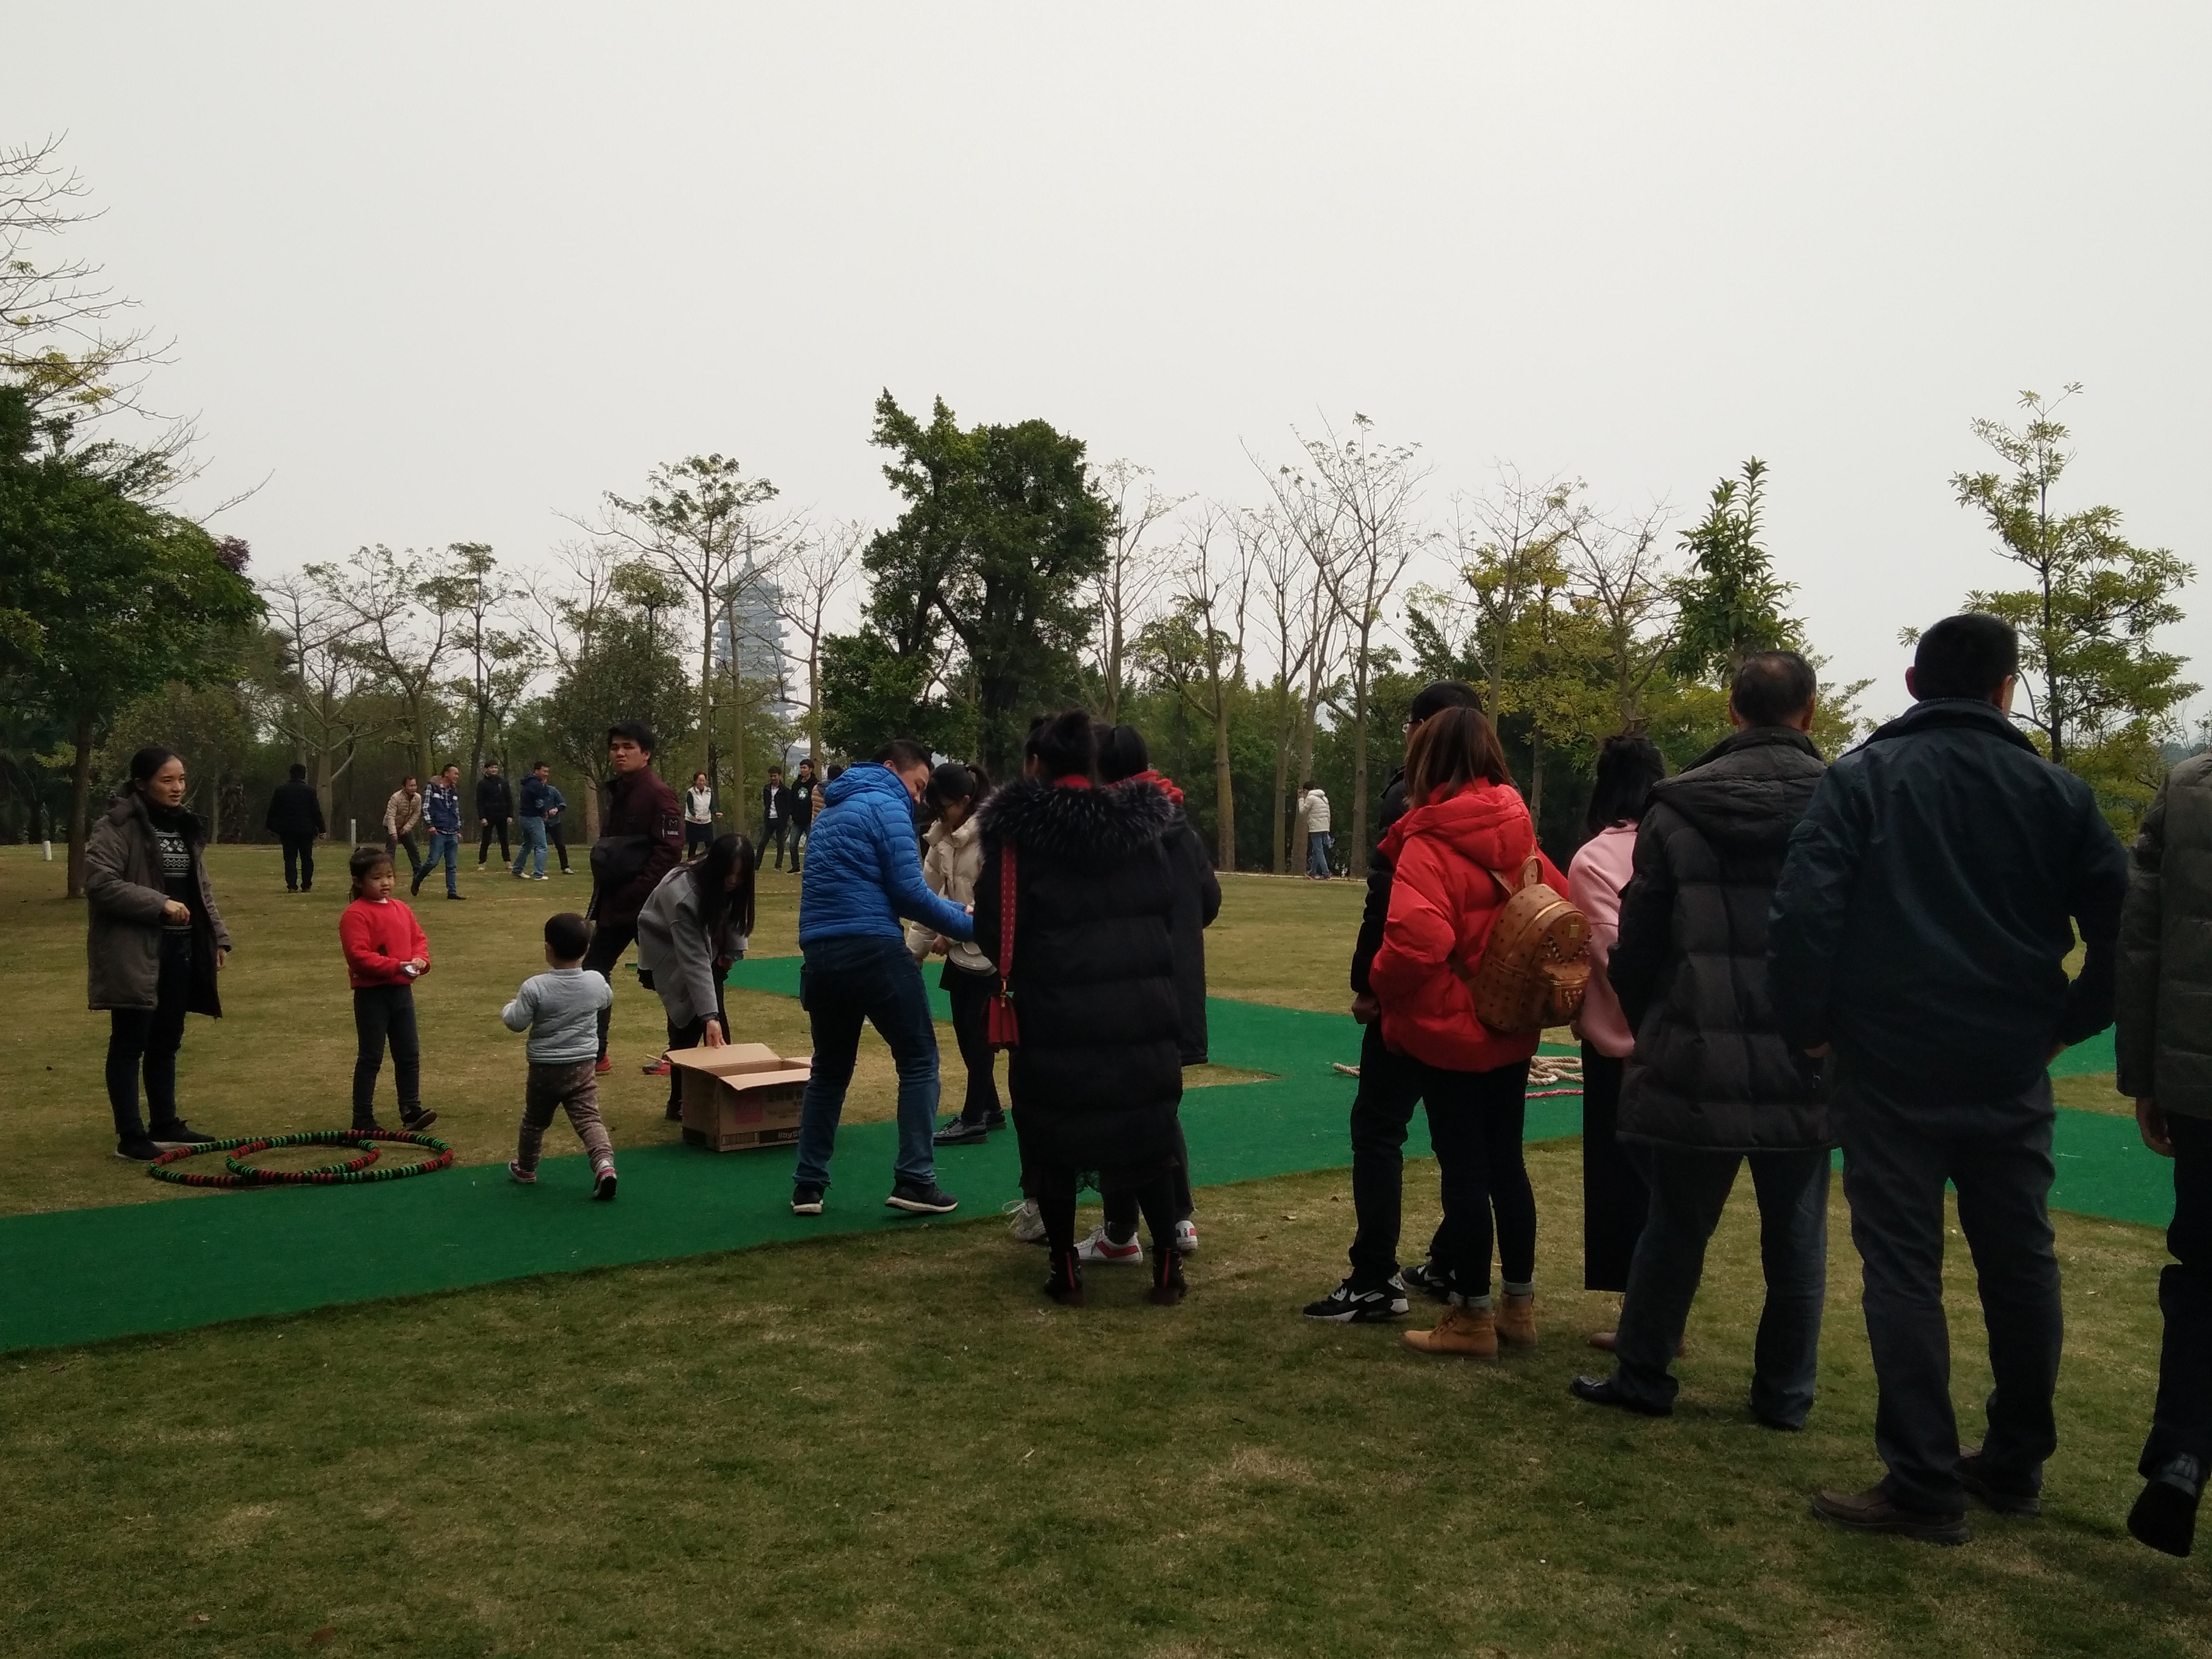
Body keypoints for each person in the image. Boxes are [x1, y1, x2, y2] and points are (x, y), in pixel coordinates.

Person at [1771, 613, 2129, 1544]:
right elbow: (2126, 930)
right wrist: (2066, 1024)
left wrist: (1810, 1028)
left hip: (1888, 1059)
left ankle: (1925, 1479)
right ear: (2007, 690)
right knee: (2020, 1260)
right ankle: (2014, 1460)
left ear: (1912, 682)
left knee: (1902, 1265)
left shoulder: (1864, 780)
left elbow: (1805, 913)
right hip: (2009, 1057)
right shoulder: (2058, 793)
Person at [1570, 654, 1831, 1427]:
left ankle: (1644, 1372)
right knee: (1796, 1237)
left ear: (1732, 710)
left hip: (1695, 1048)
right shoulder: (1847, 802)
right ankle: (1784, 1394)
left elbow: (1639, 941)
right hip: (1807, 1053)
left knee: (1675, 1225)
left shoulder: (1677, 804)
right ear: (1809, 712)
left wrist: (1662, 1019)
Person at [1365, 707, 1564, 1359]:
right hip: (1511, 1020)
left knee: (1464, 1171)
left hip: (1449, 1028)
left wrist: (1379, 988)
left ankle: (1471, 1315)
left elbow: (1415, 941)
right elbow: (1559, 904)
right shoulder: (1519, 830)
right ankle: (1518, 1306)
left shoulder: (1427, 839)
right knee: (1507, 1163)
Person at [973, 711, 1188, 1306]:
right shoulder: (1142, 829)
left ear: (1036, 764)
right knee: (1147, 1139)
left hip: (1055, 1013)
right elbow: (1169, 909)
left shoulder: (1018, 838)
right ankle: (1167, 1265)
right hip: (1141, 1011)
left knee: (1054, 1142)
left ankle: (1064, 1269)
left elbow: (993, 928)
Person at [1304, 680, 1483, 1323]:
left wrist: (1369, 985)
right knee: (1466, 1142)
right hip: (1476, 999)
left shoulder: (1412, 798)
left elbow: (1388, 906)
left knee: (1379, 1129)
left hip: (1413, 996)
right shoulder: (1504, 802)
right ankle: (1460, 1266)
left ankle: (1374, 1275)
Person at [790, 738, 977, 1217]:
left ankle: (808, 1186)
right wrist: (970, 924)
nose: (918, 797)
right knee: (919, 1059)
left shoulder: (830, 812)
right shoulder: (887, 805)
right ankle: (915, 1179)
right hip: (872, 947)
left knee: (829, 1070)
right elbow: (910, 894)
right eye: (917, 785)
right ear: (892, 768)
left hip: (820, 953)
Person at [2114, 751, 2212, 1556]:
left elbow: (2140, 941)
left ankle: (2182, 1454)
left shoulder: (2187, 790)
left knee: (2203, 1275)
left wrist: (2145, 1076)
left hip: (2201, 1085)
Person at [1085, 724, 1219, 1261]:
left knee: (1116, 1108)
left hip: (1121, 991)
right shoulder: (1179, 825)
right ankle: (1178, 1218)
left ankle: (1121, 1229)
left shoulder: (1103, 828)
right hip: (1175, 988)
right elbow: (1208, 899)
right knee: (1159, 1105)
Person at [86, 746, 230, 1161]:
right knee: (130, 1042)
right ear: (141, 783)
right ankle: (131, 1137)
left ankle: (165, 1123)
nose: (177, 787)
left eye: (181, 779)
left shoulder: (185, 826)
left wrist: (217, 937)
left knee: (167, 1040)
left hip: (180, 949)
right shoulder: (116, 826)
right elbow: (100, 883)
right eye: (167, 780)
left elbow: (200, 888)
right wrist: (158, 903)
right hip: (134, 951)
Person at [1565, 733, 1664, 1333]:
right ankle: (1659, 1316)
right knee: (1665, 1184)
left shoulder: (1594, 859)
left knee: (1626, 1182)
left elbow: (1608, 950)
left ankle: (1646, 1320)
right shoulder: (1678, 842)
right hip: (1680, 1032)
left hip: (1622, 1042)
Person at [582, 722, 684, 1074]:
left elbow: (669, 851)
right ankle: (597, 1054)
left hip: (649, 905)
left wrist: (639, 891)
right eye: (615, 747)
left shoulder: (659, 793)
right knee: (594, 971)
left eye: (628, 747)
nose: (620, 753)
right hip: (616, 903)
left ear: (646, 753)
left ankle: (680, 1055)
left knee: (669, 978)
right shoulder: (621, 790)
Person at [636, 833, 757, 1122]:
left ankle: (721, 1097)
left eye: (740, 876)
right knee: (688, 1023)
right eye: (729, 875)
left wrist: (732, 951)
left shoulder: (730, 883)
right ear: (716, 868)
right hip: (667, 949)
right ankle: (680, 1102)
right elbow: (693, 959)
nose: (733, 881)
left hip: (706, 947)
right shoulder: (680, 893)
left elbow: (735, 911)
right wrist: (709, 1017)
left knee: (716, 1026)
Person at [502, 911, 618, 1201]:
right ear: (587, 949)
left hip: (545, 1068)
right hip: (583, 1066)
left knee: (535, 1121)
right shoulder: (595, 981)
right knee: (589, 1120)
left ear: (548, 949)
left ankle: (526, 1168)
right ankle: (604, 1165)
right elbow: (606, 999)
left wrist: (509, 1007)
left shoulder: (535, 987)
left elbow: (516, 1022)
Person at [916, 761, 1001, 1147]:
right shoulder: (940, 840)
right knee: (967, 1034)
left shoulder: (991, 838)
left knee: (978, 1037)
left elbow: (992, 904)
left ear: (966, 801)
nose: (940, 815)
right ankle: (992, 1108)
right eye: (934, 808)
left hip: (988, 953)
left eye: (945, 807)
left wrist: (948, 935)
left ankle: (973, 1119)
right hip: (961, 951)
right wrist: (914, 952)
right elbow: (924, 898)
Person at [338, 844, 437, 1133]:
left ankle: (411, 1109)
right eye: (377, 878)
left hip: (401, 992)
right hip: (372, 995)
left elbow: (418, 939)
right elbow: (359, 957)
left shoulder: (402, 909)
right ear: (359, 882)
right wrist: (397, 966)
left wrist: (420, 960)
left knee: (409, 1053)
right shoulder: (355, 915)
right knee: (371, 1057)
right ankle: (363, 1117)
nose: (385, 883)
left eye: (390, 876)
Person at [265, 762, 325, 892]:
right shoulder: (310, 791)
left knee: (290, 859)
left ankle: (292, 885)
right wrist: (322, 829)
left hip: (287, 830)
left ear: (291, 774)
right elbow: (316, 811)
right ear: (304, 775)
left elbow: (273, 810)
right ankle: (307, 885)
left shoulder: (281, 790)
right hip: (306, 830)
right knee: (307, 858)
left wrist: (270, 827)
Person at [413, 764, 465, 900]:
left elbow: (456, 811)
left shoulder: (454, 790)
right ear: (446, 774)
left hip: (452, 831)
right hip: (439, 831)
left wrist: (458, 829)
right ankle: (418, 878)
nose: (457, 776)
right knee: (433, 862)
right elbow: (425, 807)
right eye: (455, 773)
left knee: (452, 865)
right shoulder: (432, 787)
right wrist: (430, 825)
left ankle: (452, 892)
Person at [512, 759, 555, 881]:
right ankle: (538, 874)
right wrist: (544, 813)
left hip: (524, 817)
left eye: (548, 772)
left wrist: (544, 785)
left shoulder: (528, 783)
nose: (546, 774)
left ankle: (517, 869)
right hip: (533, 818)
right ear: (537, 771)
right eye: (544, 771)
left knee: (527, 845)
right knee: (542, 846)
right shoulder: (536, 785)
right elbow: (540, 802)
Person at [383, 775, 425, 881]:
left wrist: (406, 828)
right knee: (391, 850)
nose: (413, 788)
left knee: (413, 848)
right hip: (391, 825)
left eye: (415, 785)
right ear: (404, 787)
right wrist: (393, 833)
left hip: (405, 827)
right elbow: (390, 816)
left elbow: (416, 815)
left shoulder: (418, 798)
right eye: (411, 786)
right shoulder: (396, 798)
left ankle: (418, 871)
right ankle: (389, 872)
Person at [536, 764, 573, 875]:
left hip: (554, 822)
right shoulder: (534, 792)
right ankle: (538, 869)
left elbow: (563, 804)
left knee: (560, 845)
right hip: (540, 822)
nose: (545, 779)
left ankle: (565, 867)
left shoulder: (553, 791)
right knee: (539, 846)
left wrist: (556, 809)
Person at [475, 760, 514, 867]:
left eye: (496, 768)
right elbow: (480, 802)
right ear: (487, 769)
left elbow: (509, 799)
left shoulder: (503, 783)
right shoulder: (482, 784)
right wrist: (482, 817)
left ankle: (507, 861)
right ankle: (482, 862)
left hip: (502, 814)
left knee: (504, 840)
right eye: (492, 768)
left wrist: (510, 815)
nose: (494, 770)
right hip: (489, 815)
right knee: (486, 840)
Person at [761, 765, 796, 869]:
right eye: (771, 776)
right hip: (769, 819)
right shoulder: (766, 789)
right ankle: (756, 865)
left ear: (779, 776)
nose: (773, 778)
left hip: (780, 820)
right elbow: (766, 803)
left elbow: (789, 806)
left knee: (780, 844)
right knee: (762, 843)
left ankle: (778, 865)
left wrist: (785, 818)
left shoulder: (785, 791)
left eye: (775, 776)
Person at [790, 758, 818, 873]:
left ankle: (811, 867)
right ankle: (795, 867)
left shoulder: (815, 784)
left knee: (811, 845)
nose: (802, 770)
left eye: (804, 768)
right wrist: (793, 813)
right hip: (797, 820)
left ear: (810, 769)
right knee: (793, 844)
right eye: (801, 768)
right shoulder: (796, 784)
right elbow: (792, 800)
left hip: (810, 820)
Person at [1300, 781, 1333, 878]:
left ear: (1306, 790)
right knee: (1316, 850)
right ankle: (1313, 871)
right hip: (1325, 827)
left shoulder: (1311, 798)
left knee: (1319, 851)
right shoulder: (1324, 798)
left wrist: (1301, 799)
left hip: (1316, 828)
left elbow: (1302, 811)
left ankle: (1326, 873)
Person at [683, 771, 717, 860]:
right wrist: (695, 815)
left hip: (706, 821)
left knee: (710, 845)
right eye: (700, 781)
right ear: (695, 781)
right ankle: (691, 862)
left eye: (703, 781)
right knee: (693, 845)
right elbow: (690, 807)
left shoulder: (709, 791)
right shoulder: (690, 792)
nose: (702, 783)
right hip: (693, 822)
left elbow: (712, 806)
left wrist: (716, 813)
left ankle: (709, 861)